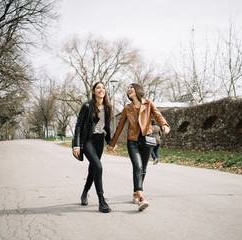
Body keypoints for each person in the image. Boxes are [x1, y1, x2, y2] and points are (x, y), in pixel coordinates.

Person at [107, 83, 170, 211]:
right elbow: (119, 126)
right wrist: (112, 143)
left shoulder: (148, 103)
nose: (128, 89)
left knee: (143, 169)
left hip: (146, 140)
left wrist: (164, 125)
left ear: (137, 90)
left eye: (131, 87)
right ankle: (141, 199)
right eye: (128, 88)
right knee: (137, 166)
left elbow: (158, 115)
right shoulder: (127, 108)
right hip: (133, 141)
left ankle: (136, 192)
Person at [72, 82, 112, 213]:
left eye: (103, 88)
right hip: (88, 140)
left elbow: (107, 126)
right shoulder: (87, 106)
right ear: (94, 91)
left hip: (99, 140)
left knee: (93, 170)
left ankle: (84, 193)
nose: (101, 90)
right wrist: (76, 145)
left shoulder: (107, 107)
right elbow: (78, 126)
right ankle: (101, 200)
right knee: (98, 166)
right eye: (98, 88)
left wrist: (109, 141)